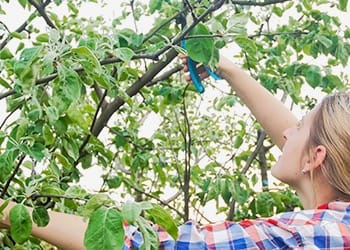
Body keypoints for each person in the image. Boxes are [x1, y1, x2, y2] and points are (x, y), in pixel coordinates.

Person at [1, 53, 350, 249]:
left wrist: (9, 211)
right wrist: (226, 67)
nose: (286, 131)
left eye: (300, 125)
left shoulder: (304, 236)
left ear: (316, 158)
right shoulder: (338, 222)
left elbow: (149, 246)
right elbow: (312, 145)